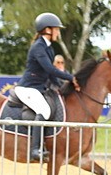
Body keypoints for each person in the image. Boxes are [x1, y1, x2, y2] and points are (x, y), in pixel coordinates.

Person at [14, 12, 77, 162]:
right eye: (57, 29)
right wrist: (71, 78)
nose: (58, 32)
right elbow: (50, 69)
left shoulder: (49, 48)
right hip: (28, 88)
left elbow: (51, 76)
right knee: (44, 109)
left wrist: (64, 86)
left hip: (38, 88)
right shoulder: (38, 47)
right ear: (47, 30)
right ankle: (35, 149)